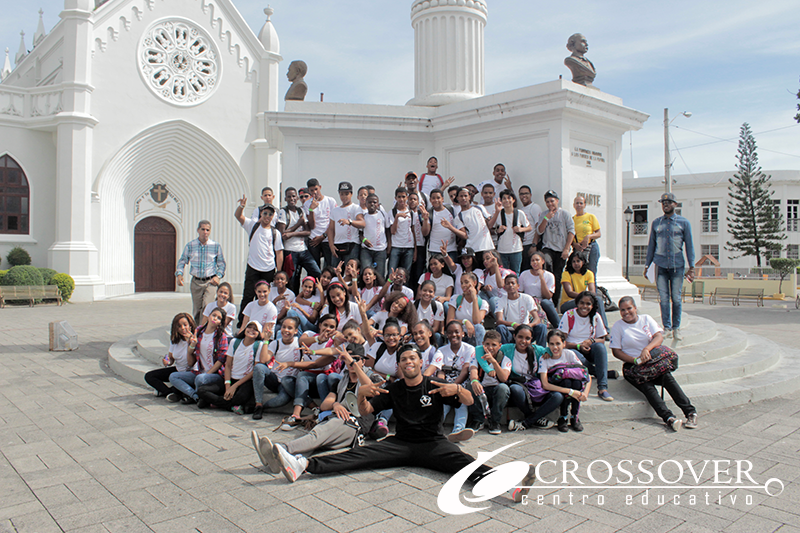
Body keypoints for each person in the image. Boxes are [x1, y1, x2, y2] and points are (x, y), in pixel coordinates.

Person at [272, 343, 536, 508]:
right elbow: (366, 411)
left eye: (413, 358)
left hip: (434, 444)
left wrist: (457, 388)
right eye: (404, 360)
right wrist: (361, 395)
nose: (409, 362)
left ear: (421, 362)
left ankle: (511, 487)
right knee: (359, 456)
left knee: (465, 464)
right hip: (401, 443)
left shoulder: (435, 384)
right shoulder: (394, 388)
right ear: (399, 366)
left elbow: (468, 400)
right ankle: (303, 465)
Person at [251, 343, 379, 475]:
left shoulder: (372, 378)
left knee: (317, 435)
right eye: (348, 359)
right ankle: (277, 462)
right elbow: (325, 405)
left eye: (356, 359)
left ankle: (282, 448)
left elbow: (370, 387)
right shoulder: (341, 381)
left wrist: (353, 363)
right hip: (337, 420)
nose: (352, 363)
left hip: (356, 425)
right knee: (316, 442)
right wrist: (336, 404)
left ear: (363, 361)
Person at [610, 297, 698, 431]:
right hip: (633, 366)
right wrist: (635, 360)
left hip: (652, 362)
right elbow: (616, 351)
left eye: (629, 308)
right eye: (622, 310)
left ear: (635, 308)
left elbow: (658, 336)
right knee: (647, 386)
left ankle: (690, 412)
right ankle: (668, 418)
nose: (626, 312)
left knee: (667, 378)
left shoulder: (646, 319)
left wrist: (646, 349)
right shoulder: (618, 326)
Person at [644, 192, 695, 341]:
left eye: (668, 202)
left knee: (676, 298)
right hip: (660, 265)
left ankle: (676, 328)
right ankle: (666, 327)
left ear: (675, 204)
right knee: (664, 299)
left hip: (677, 266)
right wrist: (647, 265)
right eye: (663, 203)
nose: (665, 205)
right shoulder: (656, 223)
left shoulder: (683, 223)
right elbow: (651, 245)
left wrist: (692, 267)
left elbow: (689, 246)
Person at [235, 199, 283, 329]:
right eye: (265, 213)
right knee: (248, 296)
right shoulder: (253, 226)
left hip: (268, 269)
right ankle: (242, 325)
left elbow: (279, 252)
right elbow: (238, 216)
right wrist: (241, 206)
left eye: (270, 214)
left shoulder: (275, 233)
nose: (267, 216)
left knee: (265, 297)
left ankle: (263, 323)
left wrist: (278, 271)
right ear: (261, 214)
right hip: (253, 267)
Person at [505, 324, 563, 431]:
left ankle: (528, 422)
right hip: (520, 388)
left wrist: (547, 351)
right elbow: (482, 348)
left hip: (537, 388)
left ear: (532, 339)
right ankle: (535, 419)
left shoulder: (537, 350)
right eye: (520, 337)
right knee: (515, 389)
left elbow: (550, 349)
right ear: (514, 336)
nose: (523, 341)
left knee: (557, 396)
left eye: (527, 338)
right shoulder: (507, 349)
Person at [196, 320, 261, 414]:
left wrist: (234, 386)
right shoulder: (235, 342)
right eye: (249, 327)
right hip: (230, 378)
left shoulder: (258, 345)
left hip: (244, 382)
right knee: (202, 390)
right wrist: (228, 386)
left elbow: (254, 370)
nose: (251, 330)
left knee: (240, 397)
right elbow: (228, 365)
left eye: (255, 329)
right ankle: (231, 406)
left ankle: (217, 403)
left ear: (259, 333)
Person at [558, 291, 613, 402]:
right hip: (573, 349)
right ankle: (596, 371)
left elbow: (602, 339)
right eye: (582, 303)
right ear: (577, 303)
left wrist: (590, 341)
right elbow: (561, 342)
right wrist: (579, 346)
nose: (585, 306)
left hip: (589, 349)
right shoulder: (569, 315)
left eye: (588, 304)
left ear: (592, 306)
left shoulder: (595, 316)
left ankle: (602, 388)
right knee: (574, 354)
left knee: (600, 348)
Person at [169, 308, 228, 405]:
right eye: (213, 315)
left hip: (214, 374)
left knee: (200, 378)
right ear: (209, 316)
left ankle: (196, 397)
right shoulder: (198, 331)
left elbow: (221, 359)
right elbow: (189, 356)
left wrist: (208, 373)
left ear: (220, 322)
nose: (215, 318)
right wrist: (192, 344)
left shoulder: (221, 336)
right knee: (173, 376)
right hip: (197, 371)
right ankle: (195, 396)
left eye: (218, 318)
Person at [430, 320, 476, 442]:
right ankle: (433, 429)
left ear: (463, 333)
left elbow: (465, 371)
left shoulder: (470, 349)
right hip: (446, 384)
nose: (453, 335)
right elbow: (440, 371)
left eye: (457, 332)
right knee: (442, 405)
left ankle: (458, 431)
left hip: (461, 384)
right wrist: (444, 386)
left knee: (461, 402)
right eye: (450, 332)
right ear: (446, 334)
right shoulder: (441, 350)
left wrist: (454, 387)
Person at [175, 220, 226, 325]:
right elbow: (182, 261)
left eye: (207, 230)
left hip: (210, 281)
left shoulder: (215, 246)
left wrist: (218, 276)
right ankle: (197, 329)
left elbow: (221, 263)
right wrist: (179, 274)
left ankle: (206, 329)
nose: (205, 232)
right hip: (196, 281)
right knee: (197, 309)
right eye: (203, 229)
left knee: (208, 306)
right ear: (198, 230)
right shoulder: (190, 245)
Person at [539, 330, 592, 432]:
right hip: (556, 389)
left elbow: (586, 375)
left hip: (573, 387)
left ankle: (574, 416)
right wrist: (571, 392)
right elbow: (545, 384)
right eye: (552, 344)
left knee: (576, 382)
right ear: (548, 345)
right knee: (566, 382)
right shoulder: (544, 358)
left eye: (558, 343)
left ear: (564, 344)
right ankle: (563, 416)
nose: (555, 347)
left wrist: (585, 393)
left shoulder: (569, 354)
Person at [251, 316, 302, 420]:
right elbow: (263, 360)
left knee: (281, 400)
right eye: (284, 327)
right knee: (259, 367)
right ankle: (258, 404)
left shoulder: (299, 343)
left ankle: (263, 407)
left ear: (296, 331)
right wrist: (266, 340)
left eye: (290, 328)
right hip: (274, 379)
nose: (286, 330)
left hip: (288, 382)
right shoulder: (276, 343)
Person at [468, 330, 512, 435]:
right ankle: (478, 420)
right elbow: (473, 371)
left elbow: (504, 378)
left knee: (503, 388)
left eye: (494, 345)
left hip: (496, 390)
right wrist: (474, 381)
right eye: (487, 344)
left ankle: (495, 421)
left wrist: (494, 362)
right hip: (482, 389)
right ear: (483, 344)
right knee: (470, 386)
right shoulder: (477, 357)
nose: (490, 348)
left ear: (500, 346)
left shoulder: (505, 360)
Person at [277, 187, 319, 294]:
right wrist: (298, 224)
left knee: (317, 272)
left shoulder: (301, 211)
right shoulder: (283, 212)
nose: (292, 199)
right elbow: (283, 234)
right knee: (292, 280)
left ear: (297, 198)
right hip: (290, 251)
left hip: (303, 250)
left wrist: (292, 234)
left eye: (293, 196)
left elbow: (307, 232)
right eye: (289, 196)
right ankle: (292, 300)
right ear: (285, 199)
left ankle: (313, 295)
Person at [536, 190, 575, 306]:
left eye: (552, 201)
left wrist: (566, 249)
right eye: (547, 202)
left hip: (561, 249)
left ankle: (555, 302)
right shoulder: (544, 214)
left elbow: (571, 231)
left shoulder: (565, 214)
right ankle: (546, 299)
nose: (550, 204)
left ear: (557, 201)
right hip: (548, 247)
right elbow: (539, 231)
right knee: (547, 267)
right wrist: (546, 218)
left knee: (557, 276)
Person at [145, 312, 196, 398]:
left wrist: (190, 343)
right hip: (178, 369)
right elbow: (171, 358)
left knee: (178, 385)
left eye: (185, 325)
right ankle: (168, 392)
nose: (183, 328)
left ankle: (168, 392)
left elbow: (191, 363)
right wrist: (167, 361)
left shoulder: (195, 340)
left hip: (190, 372)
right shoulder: (175, 340)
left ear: (190, 325)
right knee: (149, 376)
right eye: (179, 326)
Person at [441, 187, 493, 269]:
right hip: (473, 249)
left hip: (487, 247)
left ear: (469, 197)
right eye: (461, 196)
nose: (463, 198)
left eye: (465, 195)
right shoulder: (459, 217)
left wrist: (497, 211)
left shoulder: (479, 208)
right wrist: (450, 227)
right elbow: (464, 235)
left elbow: (490, 225)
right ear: (457, 198)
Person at [560, 251, 608, 328]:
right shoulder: (566, 274)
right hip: (568, 303)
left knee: (598, 300)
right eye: (573, 261)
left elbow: (592, 291)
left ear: (583, 261)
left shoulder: (589, 273)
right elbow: (569, 292)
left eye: (578, 261)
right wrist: (584, 297)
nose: (576, 264)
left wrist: (586, 298)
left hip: (584, 301)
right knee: (587, 303)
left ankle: (604, 329)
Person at [495, 274, 546, 346]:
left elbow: (537, 319)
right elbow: (499, 321)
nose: (510, 285)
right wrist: (513, 324)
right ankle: (505, 350)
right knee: (500, 328)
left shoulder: (527, 298)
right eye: (508, 283)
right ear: (504, 287)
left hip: (526, 331)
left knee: (542, 327)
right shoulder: (500, 301)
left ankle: (541, 350)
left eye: (513, 283)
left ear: (518, 286)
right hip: (510, 331)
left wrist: (528, 326)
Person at [493, 189, 531, 274]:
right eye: (504, 198)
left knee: (516, 273)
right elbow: (491, 228)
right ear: (501, 201)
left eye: (509, 198)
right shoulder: (498, 213)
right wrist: (498, 230)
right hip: (502, 250)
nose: (506, 200)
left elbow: (529, 227)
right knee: (503, 273)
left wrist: (521, 229)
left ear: (513, 200)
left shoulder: (519, 213)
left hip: (516, 249)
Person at [519, 251, 559, 328]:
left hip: (543, 302)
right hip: (530, 302)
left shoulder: (549, 276)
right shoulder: (524, 274)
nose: (535, 262)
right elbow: (520, 292)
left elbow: (548, 296)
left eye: (537, 260)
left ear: (543, 261)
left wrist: (542, 278)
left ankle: (558, 325)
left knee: (546, 302)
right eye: (532, 260)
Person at [328, 181, 364, 265]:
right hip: (337, 244)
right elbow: (331, 229)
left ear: (351, 194)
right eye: (342, 194)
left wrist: (349, 222)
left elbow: (362, 223)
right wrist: (331, 245)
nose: (344, 197)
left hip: (352, 244)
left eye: (346, 194)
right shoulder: (335, 210)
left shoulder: (356, 208)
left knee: (350, 270)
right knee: (336, 270)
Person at [446, 272, 488, 346]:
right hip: (459, 332)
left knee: (479, 327)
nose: (463, 285)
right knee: (452, 328)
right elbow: (449, 321)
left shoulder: (483, 303)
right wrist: (465, 321)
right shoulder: (455, 299)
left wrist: (474, 298)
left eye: (466, 282)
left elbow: (477, 321)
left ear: (474, 283)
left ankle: (480, 351)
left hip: (473, 334)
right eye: (462, 283)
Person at [305, 178, 338, 270]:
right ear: (309, 191)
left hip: (327, 238)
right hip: (314, 239)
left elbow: (333, 222)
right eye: (312, 190)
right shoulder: (307, 204)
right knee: (314, 268)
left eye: (316, 189)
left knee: (330, 266)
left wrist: (323, 236)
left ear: (320, 187)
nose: (315, 192)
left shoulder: (330, 201)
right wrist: (311, 210)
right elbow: (311, 225)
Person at [360, 194, 390, 279]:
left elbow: (388, 231)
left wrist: (389, 246)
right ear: (366, 204)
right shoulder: (363, 216)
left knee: (379, 274)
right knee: (366, 272)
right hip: (366, 250)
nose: (372, 204)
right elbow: (360, 233)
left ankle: (379, 287)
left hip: (380, 250)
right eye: (370, 202)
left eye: (374, 202)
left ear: (378, 204)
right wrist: (364, 240)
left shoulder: (383, 214)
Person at [388, 187, 416, 275]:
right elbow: (393, 231)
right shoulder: (392, 212)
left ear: (407, 197)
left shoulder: (411, 213)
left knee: (406, 273)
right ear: (395, 198)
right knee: (392, 272)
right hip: (396, 246)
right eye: (399, 197)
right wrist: (397, 217)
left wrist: (415, 250)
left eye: (403, 197)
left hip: (409, 246)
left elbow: (413, 231)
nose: (401, 199)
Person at [572, 195, 601, 277]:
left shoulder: (590, 217)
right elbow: (570, 236)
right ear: (574, 205)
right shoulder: (572, 219)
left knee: (591, 272)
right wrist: (574, 244)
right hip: (578, 248)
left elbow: (598, 233)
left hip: (591, 247)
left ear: (584, 205)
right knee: (579, 273)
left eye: (581, 203)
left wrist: (588, 236)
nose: (579, 205)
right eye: (577, 203)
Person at [427, 189, 458, 264]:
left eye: (438, 198)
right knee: (436, 270)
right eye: (433, 198)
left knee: (452, 269)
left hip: (451, 248)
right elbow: (425, 233)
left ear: (442, 199)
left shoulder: (451, 209)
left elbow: (458, 225)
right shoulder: (429, 213)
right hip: (435, 249)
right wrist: (425, 219)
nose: (436, 200)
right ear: (430, 200)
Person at [518, 185, 542, 267]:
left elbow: (538, 227)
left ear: (530, 195)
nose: (524, 196)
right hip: (522, 245)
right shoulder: (521, 209)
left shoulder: (535, 207)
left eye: (526, 193)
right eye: (521, 194)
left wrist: (534, 245)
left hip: (531, 244)